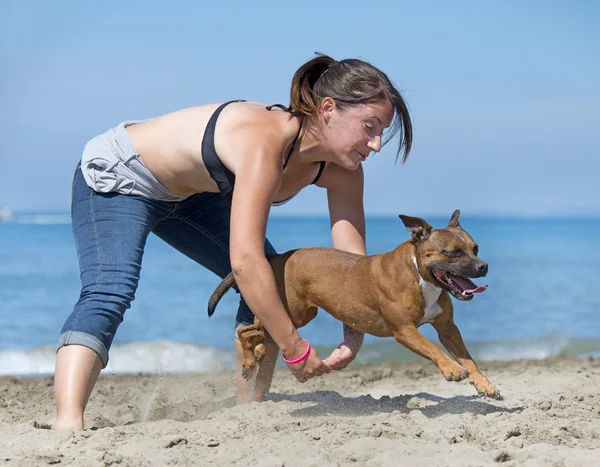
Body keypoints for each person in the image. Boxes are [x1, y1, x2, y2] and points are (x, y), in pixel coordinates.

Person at [54, 53, 413, 431]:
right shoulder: (265, 139)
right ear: (328, 109)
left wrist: (353, 333)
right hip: (124, 176)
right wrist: (294, 348)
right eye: (369, 127)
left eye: (381, 133)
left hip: (194, 195)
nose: (375, 144)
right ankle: (68, 425)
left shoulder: (343, 171)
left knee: (273, 281)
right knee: (109, 290)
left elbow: (351, 267)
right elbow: (244, 260)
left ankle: (249, 411)